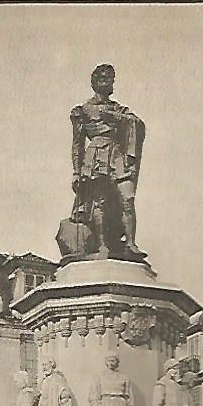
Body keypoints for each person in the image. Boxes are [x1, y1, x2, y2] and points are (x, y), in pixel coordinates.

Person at [68, 64, 146, 259]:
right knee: (99, 202)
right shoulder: (83, 110)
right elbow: (77, 144)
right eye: (103, 78)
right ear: (94, 82)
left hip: (117, 155)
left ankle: (130, 243)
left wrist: (116, 117)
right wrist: (77, 172)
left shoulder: (118, 109)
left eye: (110, 78)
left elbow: (137, 124)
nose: (108, 82)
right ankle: (102, 245)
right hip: (95, 155)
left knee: (127, 198)